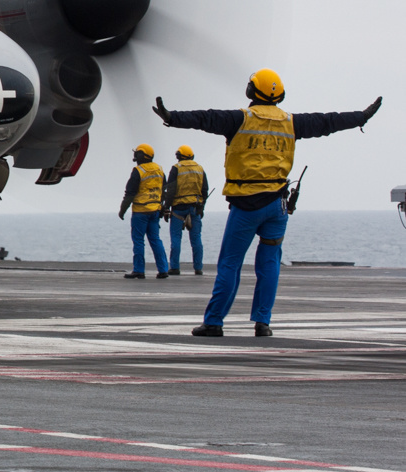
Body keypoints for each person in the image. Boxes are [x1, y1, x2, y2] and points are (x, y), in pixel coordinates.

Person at [154, 69, 381, 337]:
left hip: (246, 205)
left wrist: (172, 118)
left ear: (251, 92)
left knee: (230, 263)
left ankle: (214, 322)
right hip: (277, 206)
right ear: (279, 95)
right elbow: (327, 122)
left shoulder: (239, 119)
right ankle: (263, 323)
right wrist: (361, 117)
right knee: (270, 262)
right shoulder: (291, 122)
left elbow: (206, 118)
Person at [117, 144, 169, 279]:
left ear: (141, 155)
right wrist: (162, 207)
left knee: (139, 240)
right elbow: (163, 190)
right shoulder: (159, 169)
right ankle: (163, 270)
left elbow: (130, 193)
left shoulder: (138, 171)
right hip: (155, 211)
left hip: (140, 212)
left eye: (137, 153)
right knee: (155, 239)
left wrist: (122, 210)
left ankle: (139, 270)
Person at [162, 145, 209, 276]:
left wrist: (166, 208)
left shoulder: (176, 169)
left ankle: (175, 268)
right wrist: (202, 207)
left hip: (178, 208)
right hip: (195, 208)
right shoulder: (200, 168)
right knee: (196, 239)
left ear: (179, 156)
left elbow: (170, 190)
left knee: (176, 238)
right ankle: (198, 268)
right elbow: (204, 189)